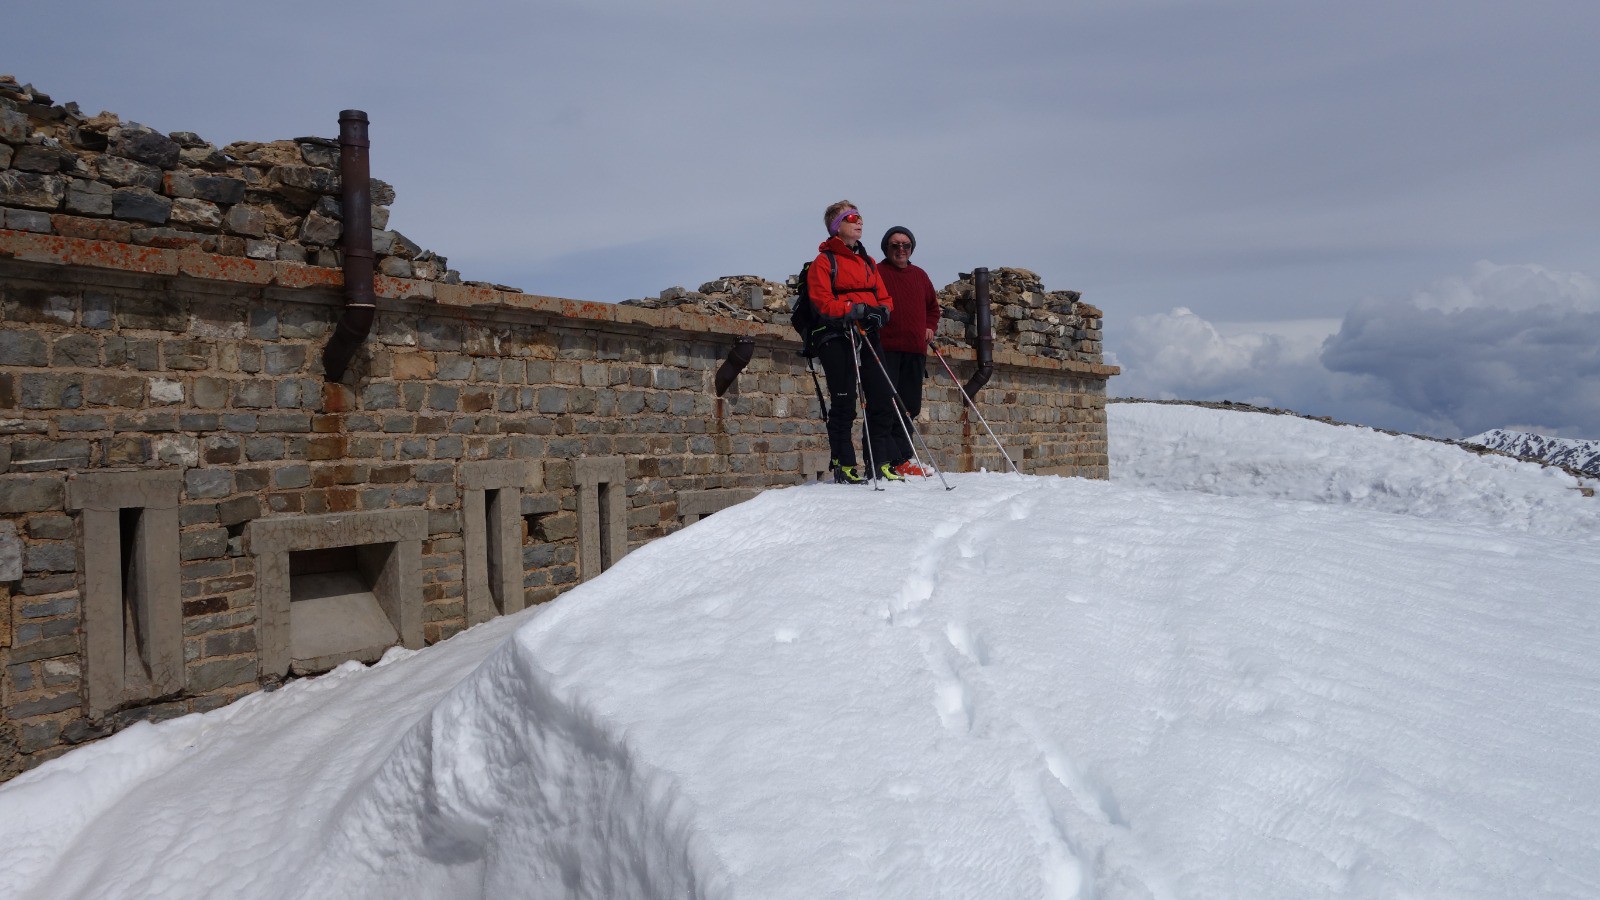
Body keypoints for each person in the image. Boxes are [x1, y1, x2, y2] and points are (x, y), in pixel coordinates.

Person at [806, 200, 899, 484]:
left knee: (882, 397)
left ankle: (878, 461)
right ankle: (844, 464)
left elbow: (884, 297)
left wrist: (882, 313)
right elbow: (822, 301)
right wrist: (852, 310)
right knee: (844, 401)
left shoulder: (869, 262)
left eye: (860, 217)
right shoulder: (824, 262)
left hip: (868, 332)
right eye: (852, 217)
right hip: (837, 336)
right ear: (837, 227)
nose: (859, 222)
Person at [873, 226, 941, 477]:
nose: (901, 250)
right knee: (887, 404)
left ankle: (903, 458)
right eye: (895, 245)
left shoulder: (920, 276)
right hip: (886, 349)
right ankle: (888, 459)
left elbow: (933, 308)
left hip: (915, 350)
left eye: (906, 245)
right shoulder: (877, 272)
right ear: (886, 248)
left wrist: (929, 327)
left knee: (909, 405)